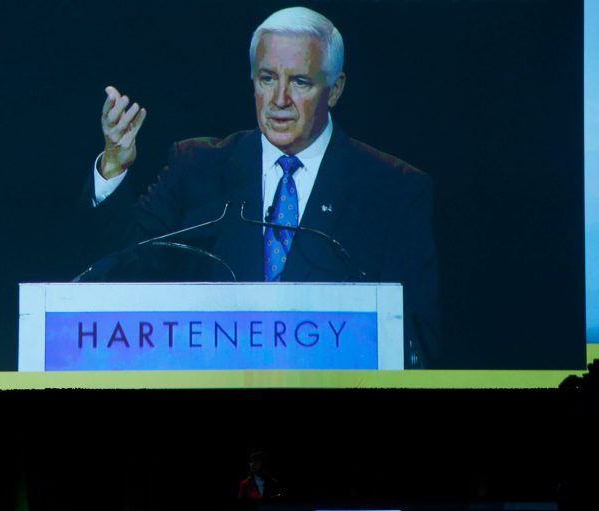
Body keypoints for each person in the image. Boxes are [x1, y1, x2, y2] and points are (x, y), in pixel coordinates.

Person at [82, 6, 440, 368]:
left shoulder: (393, 189)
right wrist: (114, 166)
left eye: (299, 81)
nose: (280, 100)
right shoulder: (197, 168)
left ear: (335, 90)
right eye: (267, 79)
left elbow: (413, 342)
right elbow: (121, 270)